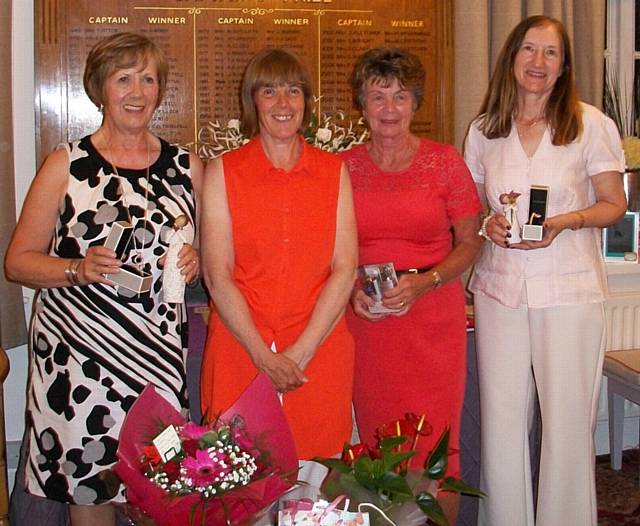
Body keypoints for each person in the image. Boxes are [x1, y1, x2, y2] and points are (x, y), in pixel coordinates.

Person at [4, 32, 203, 525]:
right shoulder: (66, 164)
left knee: (160, 495)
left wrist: (196, 259)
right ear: (100, 89)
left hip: (156, 363)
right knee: (90, 498)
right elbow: (17, 262)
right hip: (79, 369)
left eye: (149, 79)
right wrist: (76, 268)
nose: (137, 92)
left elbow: (211, 259)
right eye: (124, 79)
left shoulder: (186, 167)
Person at [464, 15, 627, 526]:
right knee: (502, 422)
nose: (538, 62)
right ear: (511, 59)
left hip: (569, 293)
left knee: (566, 424)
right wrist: (487, 223)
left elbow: (614, 204)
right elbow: (470, 212)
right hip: (499, 292)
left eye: (550, 53)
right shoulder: (484, 130)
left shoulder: (590, 124)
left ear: (563, 66)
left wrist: (566, 221)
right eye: (529, 50)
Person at [199, 48, 357, 483]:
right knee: (238, 487)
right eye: (269, 91)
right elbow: (217, 273)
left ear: (306, 101)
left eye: (293, 91)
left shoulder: (333, 172)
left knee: (312, 489)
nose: (283, 103)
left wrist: (301, 351)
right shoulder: (223, 172)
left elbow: (345, 267)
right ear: (253, 101)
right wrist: (261, 355)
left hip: (318, 352)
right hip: (239, 349)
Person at [342, 47, 483, 523]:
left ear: (415, 103)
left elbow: (471, 242)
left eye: (400, 96)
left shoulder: (445, 162)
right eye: (378, 96)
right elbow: (328, 252)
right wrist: (350, 293)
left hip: (432, 325)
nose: (388, 108)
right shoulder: (341, 168)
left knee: (438, 449)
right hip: (369, 324)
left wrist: (427, 281)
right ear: (361, 104)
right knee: (380, 444)